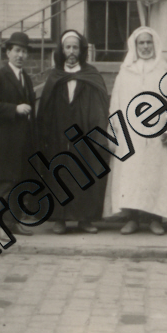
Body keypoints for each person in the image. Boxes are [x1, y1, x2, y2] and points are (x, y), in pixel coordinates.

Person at [103, 26, 167, 235]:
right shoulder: (126, 71)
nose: (145, 47)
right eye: (141, 43)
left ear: (154, 45)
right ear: (134, 46)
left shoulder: (163, 70)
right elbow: (116, 103)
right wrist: (116, 130)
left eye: (148, 42)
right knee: (132, 176)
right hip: (130, 134)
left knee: (156, 176)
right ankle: (132, 219)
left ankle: (155, 219)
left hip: (156, 134)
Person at [36, 29, 110, 234]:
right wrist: (45, 133)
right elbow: (46, 108)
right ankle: (59, 219)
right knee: (58, 173)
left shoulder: (91, 74)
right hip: (58, 134)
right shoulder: (55, 76)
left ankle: (85, 220)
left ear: (81, 50)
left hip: (85, 132)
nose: (71, 51)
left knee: (86, 171)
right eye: (67, 47)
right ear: (61, 50)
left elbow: (100, 106)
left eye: (75, 47)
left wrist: (97, 132)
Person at [0, 32, 39, 236]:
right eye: (17, 50)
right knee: (5, 184)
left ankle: (14, 223)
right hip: (3, 140)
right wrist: (15, 109)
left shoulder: (26, 78)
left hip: (22, 141)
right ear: (8, 53)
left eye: (24, 52)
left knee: (19, 183)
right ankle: (0, 227)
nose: (21, 55)